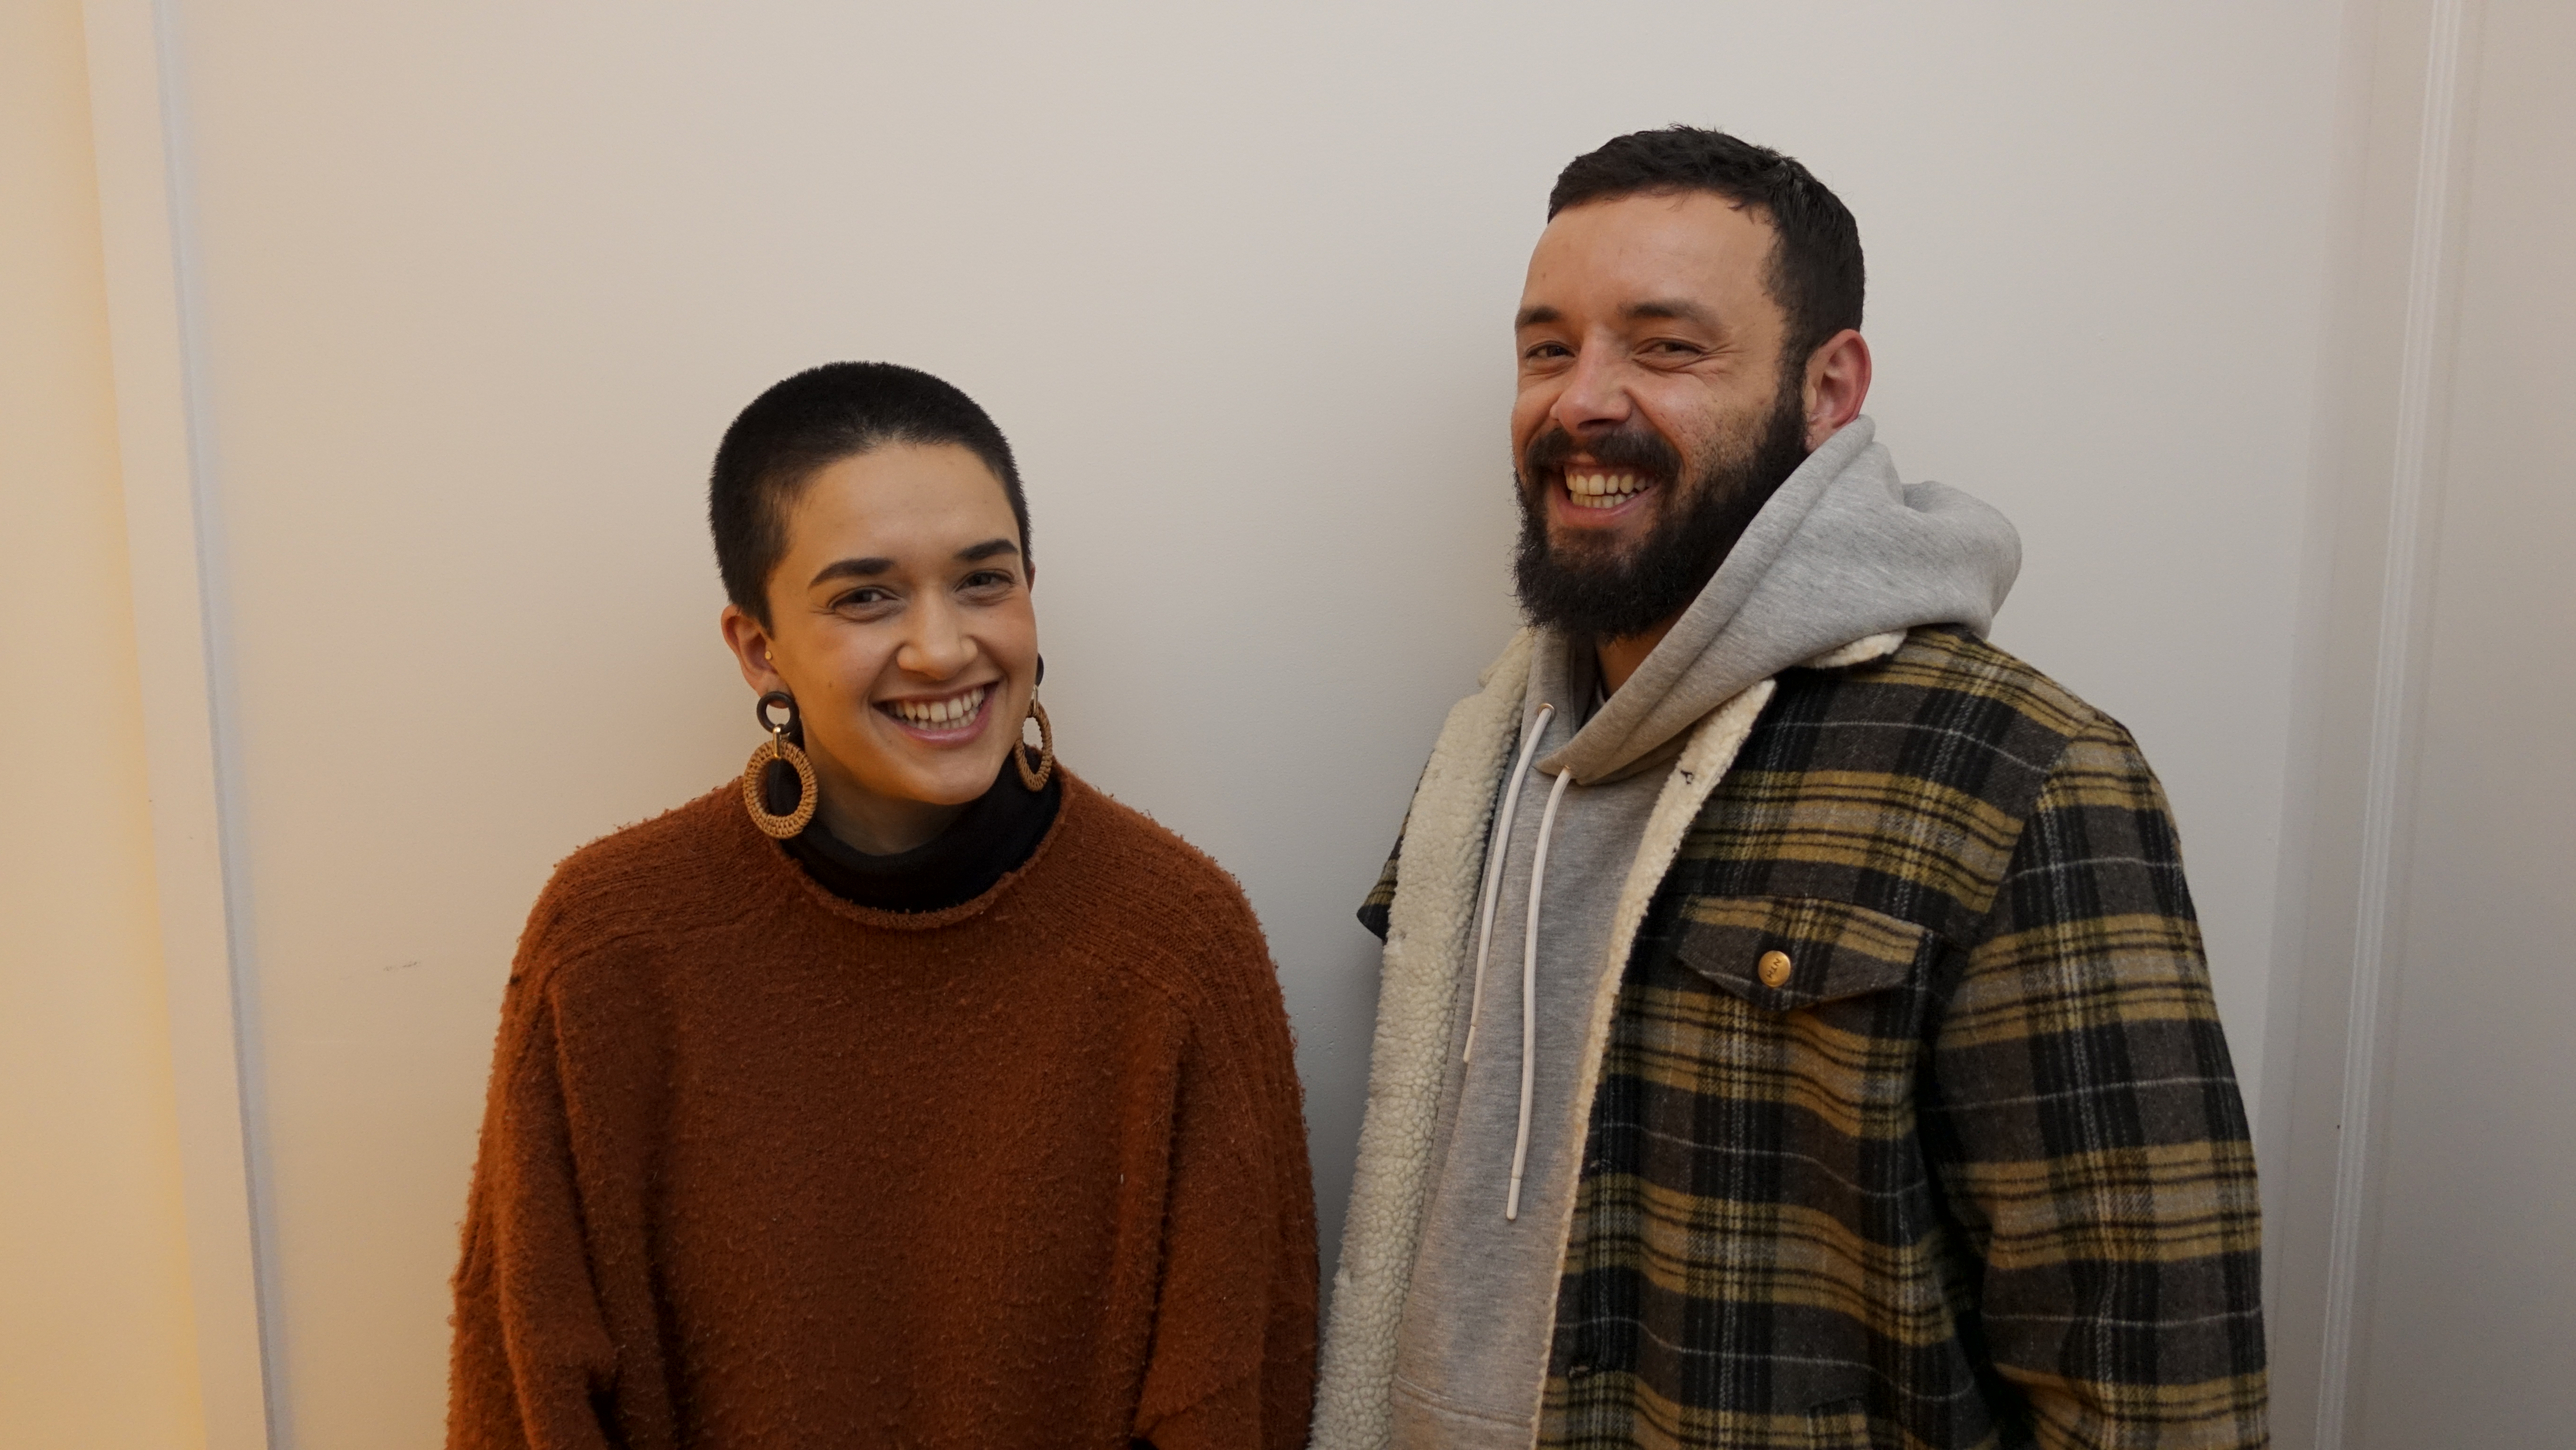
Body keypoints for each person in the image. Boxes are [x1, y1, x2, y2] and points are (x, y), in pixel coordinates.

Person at [1313, 129, 2265, 1449]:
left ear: (1829, 389)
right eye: (1548, 347)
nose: (1583, 399)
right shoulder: (1489, 754)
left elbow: (2158, 1387)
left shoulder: (2020, 778)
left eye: (1665, 346)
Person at [448, 362, 1317, 1449]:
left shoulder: (1178, 941)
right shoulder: (612, 944)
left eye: (985, 581)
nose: (944, 646)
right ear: (759, 647)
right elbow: (527, 1388)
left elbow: (1242, 1385)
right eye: (866, 595)